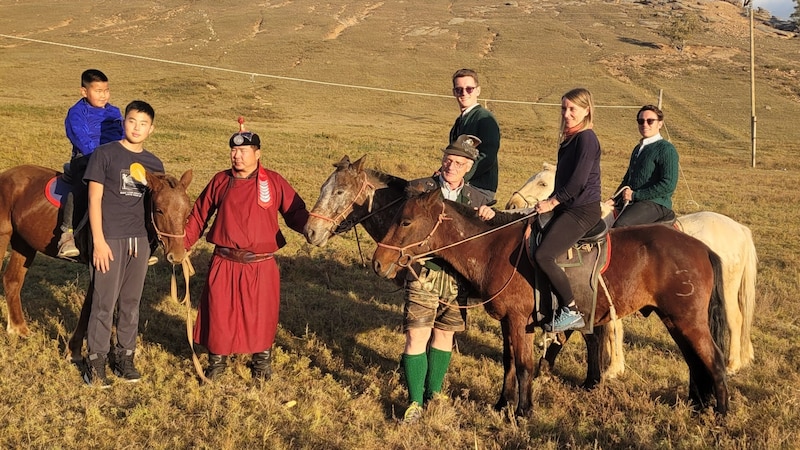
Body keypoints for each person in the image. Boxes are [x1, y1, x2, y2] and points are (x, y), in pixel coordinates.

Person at [184, 118, 310, 382]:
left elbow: (296, 213)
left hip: (261, 264)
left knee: (261, 315)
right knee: (218, 312)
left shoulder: (274, 182)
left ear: (258, 154)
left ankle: (261, 362)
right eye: (233, 150)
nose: (237, 156)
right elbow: (199, 215)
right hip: (225, 260)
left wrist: (316, 229)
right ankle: (216, 362)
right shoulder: (220, 181)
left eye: (243, 151)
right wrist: (182, 244)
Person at [401, 134, 496, 423]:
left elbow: (485, 242)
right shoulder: (419, 189)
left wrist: (488, 217)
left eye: (457, 162)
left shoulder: (480, 199)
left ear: (468, 167)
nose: (450, 166)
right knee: (416, 335)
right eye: (447, 159)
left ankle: (434, 394)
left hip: (458, 279)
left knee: (444, 335)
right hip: (424, 274)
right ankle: (414, 402)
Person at [82, 100, 164, 387]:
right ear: (124, 122)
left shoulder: (155, 164)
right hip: (110, 239)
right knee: (104, 303)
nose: (137, 127)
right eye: (132, 121)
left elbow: (156, 206)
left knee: (131, 303)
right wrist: (99, 241)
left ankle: (124, 358)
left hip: (139, 241)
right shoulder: (105, 155)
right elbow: (94, 199)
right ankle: (95, 362)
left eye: (143, 123)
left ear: (151, 129)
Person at [533, 88, 602, 333]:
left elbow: (578, 182)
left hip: (582, 209)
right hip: (569, 205)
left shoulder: (586, 138)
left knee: (544, 255)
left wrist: (552, 202)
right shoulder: (571, 138)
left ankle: (570, 309)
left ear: (586, 110)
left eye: (573, 109)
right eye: (564, 108)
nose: (567, 114)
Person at [58, 69, 124, 259]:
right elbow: (80, 138)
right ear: (84, 92)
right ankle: (67, 234)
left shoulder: (114, 112)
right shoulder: (76, 113)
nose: (103, 95)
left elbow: (121, 135)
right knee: (81, 186)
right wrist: (101, 158)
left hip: (113, 159)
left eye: (106, 90)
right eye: (98, 90)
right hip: (86, 158)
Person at [605, 105, 679, 227]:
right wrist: (614, 199)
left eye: (650, 121)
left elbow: (668, 184)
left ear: (660, 124)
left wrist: (635, 195)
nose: (645, 124)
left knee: (622, 225)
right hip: (636, 202)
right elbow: (628, 180)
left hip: (656, 203)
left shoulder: (666, 149)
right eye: (641, 121)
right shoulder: (638, 148)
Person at [448, 68, 501, 199]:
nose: (464, 93)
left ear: (478, 90)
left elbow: (486, 156)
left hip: (479, 187)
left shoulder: (485, 119)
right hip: (461, 183)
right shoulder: (459, 121)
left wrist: (460, 177)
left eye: (469, 89)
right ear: (454, 92)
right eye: (459, 89)